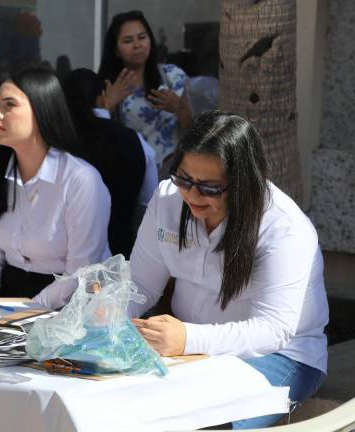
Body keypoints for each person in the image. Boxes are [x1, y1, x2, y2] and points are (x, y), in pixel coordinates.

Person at [127, 111, 328, 429]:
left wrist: (188, 338)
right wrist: (107, 315)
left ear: (244, 184)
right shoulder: (167, 200)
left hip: (278, 356)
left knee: (209, 420)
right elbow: (139, 282)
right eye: (184, 179)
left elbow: (272, 330)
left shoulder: (284, 228)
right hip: (188, 350)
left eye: (210, 188)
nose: (192, 195)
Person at [0, 67, 111, 299]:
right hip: (12, 293)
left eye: (9, 104)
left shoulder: (81, 179)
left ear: (41, 111)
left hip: (75, 301)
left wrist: (26, 311)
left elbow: (80, 273)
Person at [61, 68, 157, 258]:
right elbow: (149, 204)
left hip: (61, 258)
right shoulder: (134, 140)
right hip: (120, 253)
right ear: (102, 97)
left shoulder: (56, 142)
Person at [98, 10, 191, 172]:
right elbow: (97, 139)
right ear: (116, 50)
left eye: (142, 37)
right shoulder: (108, 86)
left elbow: (195, 133)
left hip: (173, 172)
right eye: (128, 40)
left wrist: (180, 108)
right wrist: (108, 106)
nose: (137, 45)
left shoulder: (173, 76)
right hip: (129, 174)